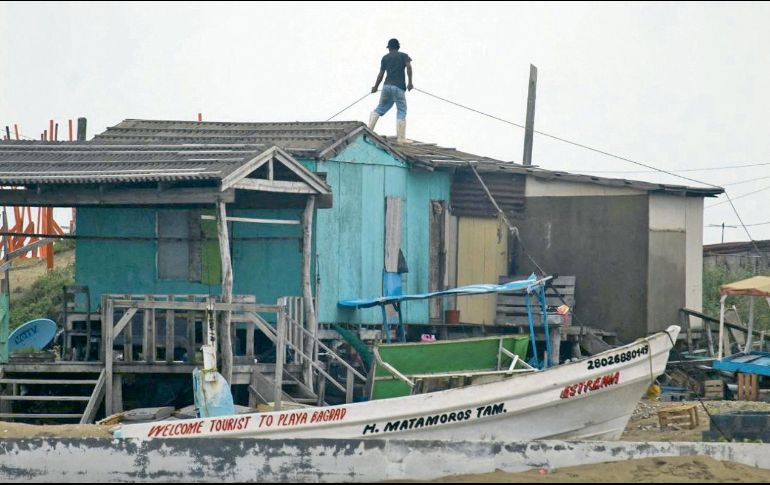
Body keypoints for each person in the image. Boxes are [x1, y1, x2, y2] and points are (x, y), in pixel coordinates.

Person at [368, 38, 414, 143]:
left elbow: (381, 74)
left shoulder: (385, 58)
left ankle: (369, 130)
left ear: (389, 48)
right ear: (398, 47)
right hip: (398, 87)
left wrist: (375, 87)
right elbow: (409, 67)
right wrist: (410, 83)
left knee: (380, 108)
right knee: (401, 110)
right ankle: (401, 138)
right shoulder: (404, 56)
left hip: (386, 86)